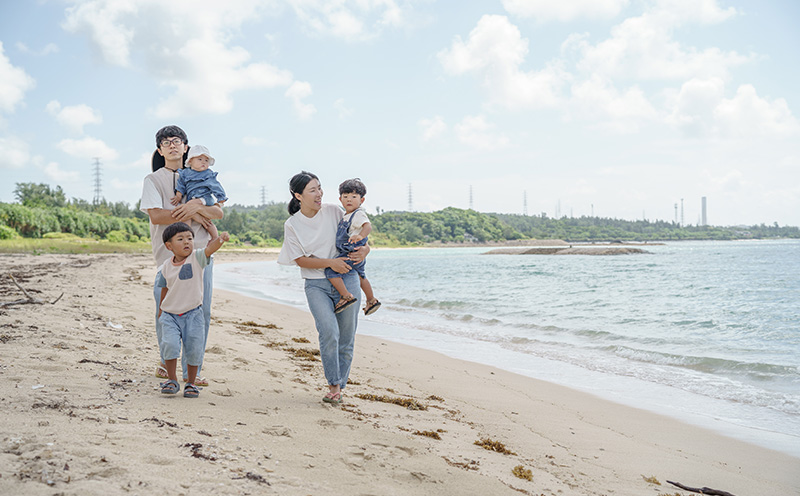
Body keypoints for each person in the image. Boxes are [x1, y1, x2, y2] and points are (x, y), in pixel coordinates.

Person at [140, 125, 223, 388]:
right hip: (167, 260)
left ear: (186, 147)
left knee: (201, 312)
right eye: (166, 142)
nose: (172, 145)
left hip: (200, 256)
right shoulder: (153, 180)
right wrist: (193, 210)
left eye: (177, 141)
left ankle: (194, 371)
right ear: (160, 150)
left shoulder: (201, 175)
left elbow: (218, 212)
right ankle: (167, 363)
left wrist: (199, 209)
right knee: (165, 312)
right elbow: (156, 216)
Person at [277, 171, 369, 404]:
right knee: (329, 332)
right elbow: (300, 260)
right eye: (313, 190)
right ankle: (333, 384)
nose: (319, 194)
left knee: (347, 338)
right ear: (298, 195)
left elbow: (358, 235)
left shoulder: (335, 211)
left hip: (347, 279)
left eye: (320, 188)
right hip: (316, 285)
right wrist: (330, 263)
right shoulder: (293, 225)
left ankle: (339, 387)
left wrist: (366, 250)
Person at [156, 222, 229, 398]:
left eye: (190, 238)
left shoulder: (197, 258)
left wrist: (220, 240)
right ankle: (172, 380)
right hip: (170, 315)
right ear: (169, 246)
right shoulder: (166, 265)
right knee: (170, 345)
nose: (187, 242)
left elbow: (210, 249)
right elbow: (164, 287)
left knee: (194, 348)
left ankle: (191, 382)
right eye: (180, 239)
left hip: (193, 314)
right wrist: (160, 309)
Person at [324, 178, 381, 315]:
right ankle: (371, 299)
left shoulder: (358, 214)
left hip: (350, 253)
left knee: (330, 271)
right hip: (355, 254)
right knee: (361, 276)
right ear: (340, 199)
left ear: (362, 200)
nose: (349, 200)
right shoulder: (346, 215)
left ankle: (345, 296)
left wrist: (361, 236)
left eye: (354, 197)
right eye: (346, 197)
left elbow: (368, 226)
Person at [170, 144, 227, 239]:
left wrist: (221, 200)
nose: (203, 162)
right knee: (205, 220)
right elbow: (181, 184)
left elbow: (216, 186)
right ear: (191, 161)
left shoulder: (208, 174)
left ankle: (186, 230)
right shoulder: (185, 173)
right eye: (200, 159)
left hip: (204, 198)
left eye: (206, 160)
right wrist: (178, 195)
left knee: (187, 208)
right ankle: (214, 237)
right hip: (193, 198)